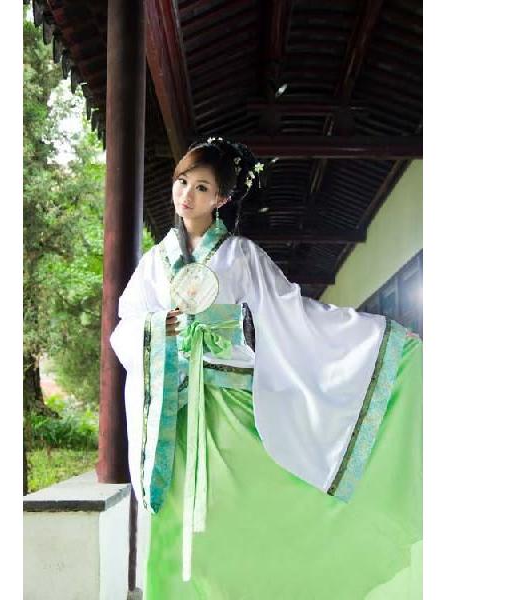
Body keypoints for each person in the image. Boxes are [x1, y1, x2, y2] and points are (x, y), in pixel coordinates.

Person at [109, 137, 422, 599]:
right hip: (177, 418)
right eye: (182, 182)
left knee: (253, 517)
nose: (187, 194)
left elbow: (291, 313)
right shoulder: (154, 263)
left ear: (221, 199)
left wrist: (382, 337)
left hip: (234, 408)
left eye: (201, 187)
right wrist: (159, 327)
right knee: (183, 526)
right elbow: (126, 326)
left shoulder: (241, 255)